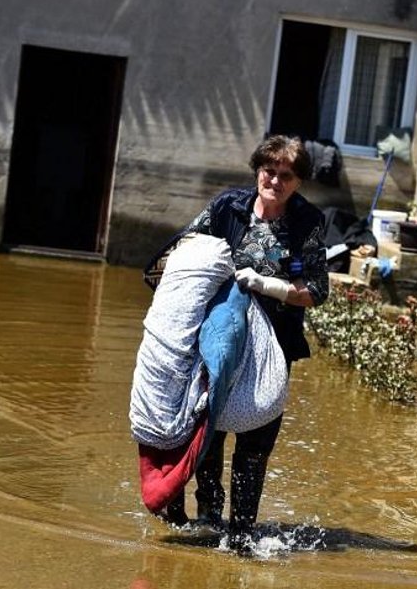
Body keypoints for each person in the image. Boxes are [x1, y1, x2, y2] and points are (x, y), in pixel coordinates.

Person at [163, 134, 329, 550]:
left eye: (285, 175)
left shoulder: (307, 222)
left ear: (297, 182)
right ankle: (207, 524)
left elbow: (316, 290)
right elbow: (181, 249)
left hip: (273, 347)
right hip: (218, 339)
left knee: (254, 443)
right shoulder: (227, 207)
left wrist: (268, 286)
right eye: (268, 171)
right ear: (258, 169)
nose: (274, 181)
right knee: (210, 432)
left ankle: (240, 537)